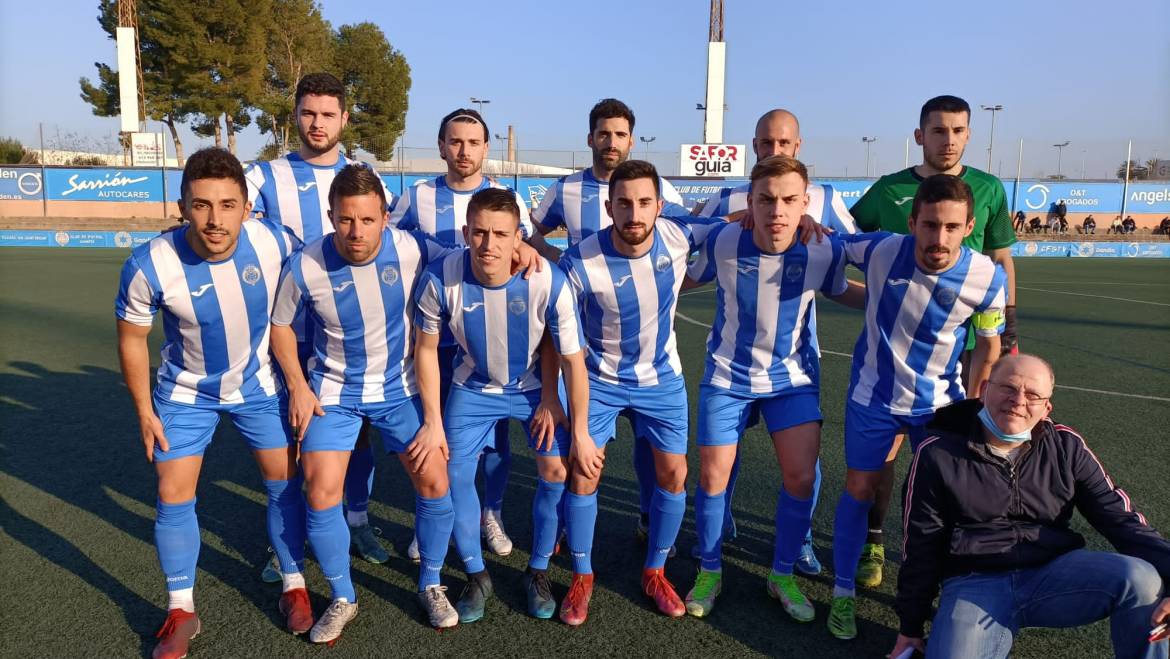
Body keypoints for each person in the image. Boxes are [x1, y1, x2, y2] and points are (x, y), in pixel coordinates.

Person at [116, 148, 309, 658]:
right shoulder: (150, 263)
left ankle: (294, 583)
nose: (215, 219)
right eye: (201, 205)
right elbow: (132, 339)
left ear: (248, 206)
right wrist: (143, 410)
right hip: (184, 394)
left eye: (227, 204)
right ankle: (182, 609)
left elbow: (330, 265)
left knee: (285, 485)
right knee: (173, 491)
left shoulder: (275, 241)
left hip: (259, 387)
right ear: (182, 206)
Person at [845, 95, 1018, 589]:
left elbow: (1001, 259)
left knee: (949, 469)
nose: (948, 140)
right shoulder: (890, 189)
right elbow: (848, 241)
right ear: (920, 135)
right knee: (883, 460)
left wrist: (1010, 330)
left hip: (960, 341)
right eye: (938, 131)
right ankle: (875, 541)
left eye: (958, 130)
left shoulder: (987, 188)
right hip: (892, 348)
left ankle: (941, 559)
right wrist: (878, 298)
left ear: (969, 135)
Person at [890, 354, 1170, 659]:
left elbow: (1120, 517)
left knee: (1143, 580)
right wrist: (910, 627)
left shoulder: (1066, 446)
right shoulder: (938, 453)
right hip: (976, 581)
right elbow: (921, 543)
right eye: (1008, 387)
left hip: (1054, 573)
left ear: (1046, 407)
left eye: (1033, 395)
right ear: (984, 389)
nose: (1018, 400)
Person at [828, 174, 1007, 640]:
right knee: (859, 489)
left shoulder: (988, 276)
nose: (939, 238)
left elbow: (988, 347)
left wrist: (973, 403)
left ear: (969, 226)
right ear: (912, 223)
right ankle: (843, 592)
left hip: (940, 406)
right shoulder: (882, 249)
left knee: (945, 502)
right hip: (874, 397)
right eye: (929, 225)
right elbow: (831, 242)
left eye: (951, 227)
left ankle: (944, 593)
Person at [682, 155, 859, 623]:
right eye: (766, 199)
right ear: (751, 203)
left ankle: (782, 574)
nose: (777, 210)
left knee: (801, 477)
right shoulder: (723, 239)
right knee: (713, 478)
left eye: (788, 200)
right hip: (728, 375)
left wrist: (901, 294)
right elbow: (682, 278)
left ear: (805, 203)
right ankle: (710, 569)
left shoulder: (822, 248)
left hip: (791, 380)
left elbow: (843, 290)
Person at [555, 160, 724, 625]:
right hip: (599, 382)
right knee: (584, 473)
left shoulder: (679, 236)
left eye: (644, 203)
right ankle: (582, 575)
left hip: (661, 382)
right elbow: (558, 333)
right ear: (608, 207)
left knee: (674, 475)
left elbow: (733, 219)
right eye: (624, 203)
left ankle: (655, 569)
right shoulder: (578, 261)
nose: (634, 213)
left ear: (660, 206)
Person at [413, 188, 590, 623]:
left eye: (500, 234)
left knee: (556, 470)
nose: (488, 244)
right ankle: (476, 574)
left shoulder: (548, 279)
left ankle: (538, 571)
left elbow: (573, 360)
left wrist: (575, 424)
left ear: (518, 238)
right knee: (452, 471)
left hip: (532, 389)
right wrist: (433, 421)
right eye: (479, 233)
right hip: (471, 388)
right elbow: (425, 350)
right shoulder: (440, 277)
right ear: (465, 232)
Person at [390, 108, 557, 561]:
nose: (464, 151)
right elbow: (388, 249)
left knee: (496, 438)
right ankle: (433, 512)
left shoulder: (505, 199)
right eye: (455, 142)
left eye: (473, 142)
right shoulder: (415, 197)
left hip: (491, 340)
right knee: (432, 434)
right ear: (441, 146)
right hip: (431, 340)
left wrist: (526, 247)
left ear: (486, 148)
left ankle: (491, 512)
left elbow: (529, 249)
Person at [244, 72, 395, 571]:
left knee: (358, 435)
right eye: (308, 113)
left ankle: (356, 520)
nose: (317, 123)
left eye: (328, 114)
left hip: (351, 340)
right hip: (288, 335)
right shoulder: (264, 176)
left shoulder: (363, 175)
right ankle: (287, 539)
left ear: (344, 118)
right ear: (295, 116)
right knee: (291, 441)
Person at [532, 98, 689, 555]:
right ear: (591, 139)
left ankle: (649, 521)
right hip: (589, 339)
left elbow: (693, 233)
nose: (611, 141)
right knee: (575, 458)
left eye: (620, 134)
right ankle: (570, 537)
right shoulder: (566, 189)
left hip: (653, 362)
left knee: (659, 459)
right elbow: (531, 231)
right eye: (604, 133)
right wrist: (551, 261)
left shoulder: (664, 206)